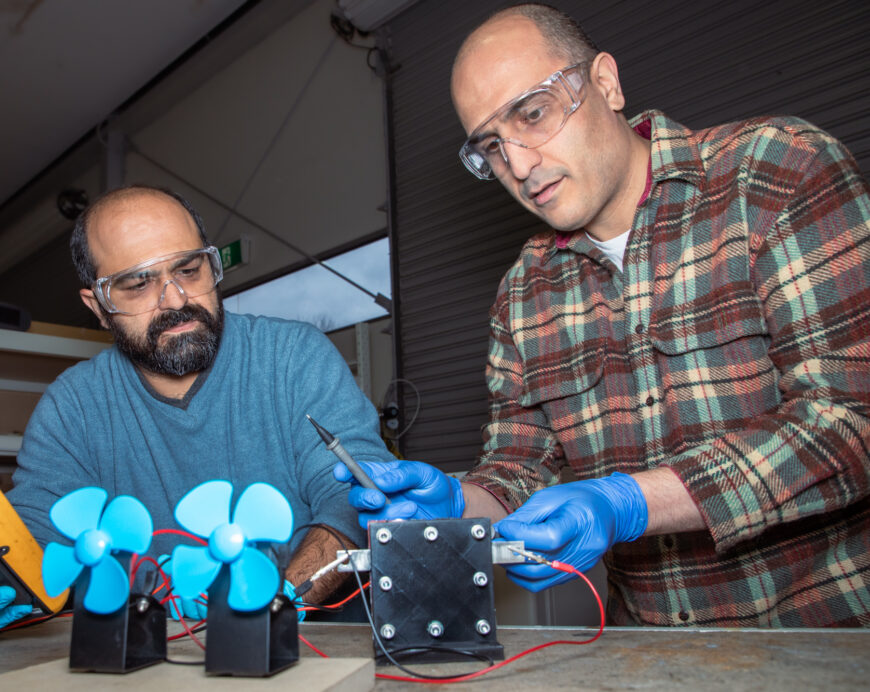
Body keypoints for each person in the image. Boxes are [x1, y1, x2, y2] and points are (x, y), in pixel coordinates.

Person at [337, 3, 870, 627]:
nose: (519, 164)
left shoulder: (777, 173)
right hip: (647, 653)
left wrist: (629, 503)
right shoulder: (523, 293)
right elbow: (521, 468)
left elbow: (851, 419)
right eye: (491, 146)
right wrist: (458, 504)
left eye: (531, 114)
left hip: (828, 638)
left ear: (606, 83)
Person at [0, 184, 390, 636]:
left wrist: (280, 605)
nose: (177, 299)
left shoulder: (293, 358)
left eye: (189, 270)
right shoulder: (71, 407)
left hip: (306, 643)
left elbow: (352, 500)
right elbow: (34, 536)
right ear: (97, 306)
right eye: (137, 283)